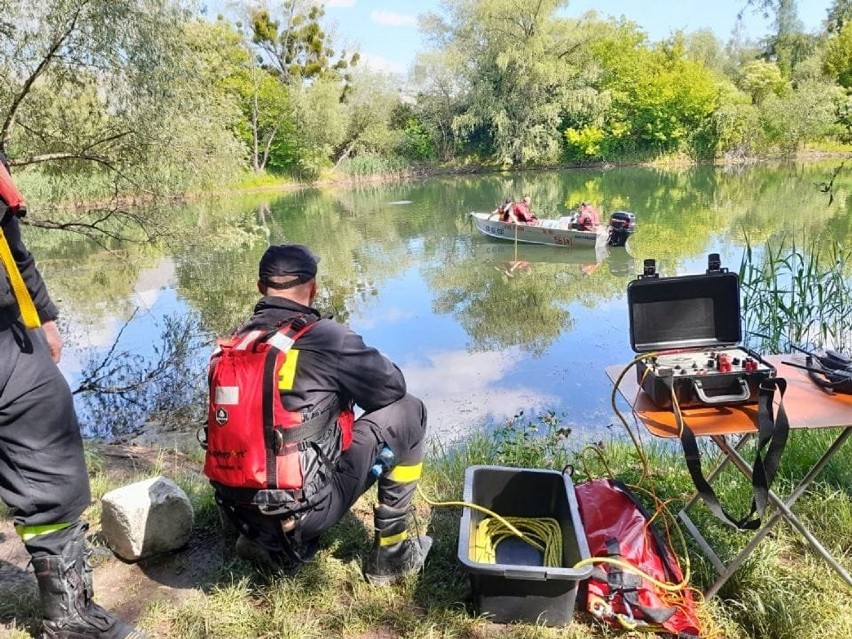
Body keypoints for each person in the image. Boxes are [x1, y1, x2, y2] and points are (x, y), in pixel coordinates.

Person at [210, 243, 432, 585]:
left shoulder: (235, 344)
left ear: (260, 288)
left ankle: (261, 540)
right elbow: (391, 391)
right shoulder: (328, 337)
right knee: (410, 410)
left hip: (238, 508)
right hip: (302, 512)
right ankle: (392, 555)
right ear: (313, 288)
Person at [0, 152, 143, 638]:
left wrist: (42, 314)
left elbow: (9, 239)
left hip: (8, 334)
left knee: (53, 467)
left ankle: (69, 617)